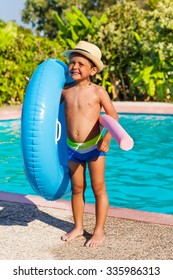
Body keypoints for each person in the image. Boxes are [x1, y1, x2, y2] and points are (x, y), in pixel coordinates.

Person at [61, 41, 118, 247]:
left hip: (94, 148)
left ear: (93, 70)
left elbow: (113, 117)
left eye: (80, 64)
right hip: (72, 148)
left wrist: (107, 139)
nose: (74, 66)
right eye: (72, 63)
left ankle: (99, 230)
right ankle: (78, 227)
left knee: (98, 188)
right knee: (77, 189)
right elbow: (46, 104)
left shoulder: (98, 91)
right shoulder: (65, 91)